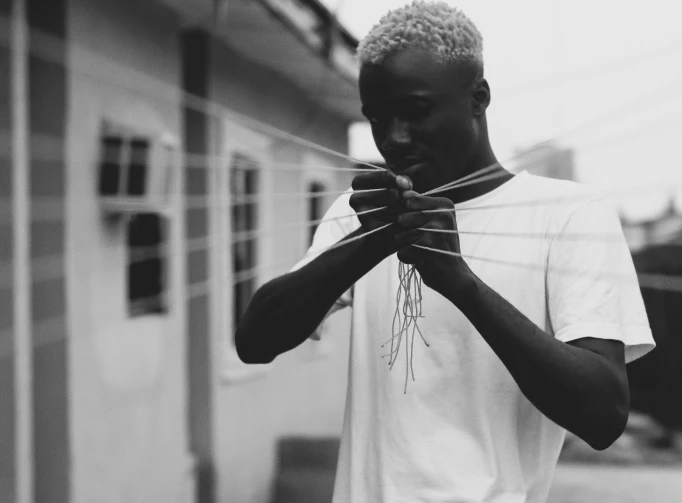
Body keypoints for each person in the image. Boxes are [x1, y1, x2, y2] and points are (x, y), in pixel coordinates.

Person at [235, 1, 655, 501]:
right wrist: (369, 241)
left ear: (478, 98)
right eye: (376, 117)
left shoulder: (567, 213)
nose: (394, 137)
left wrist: (462, 284)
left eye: (415, 111)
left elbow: (603, 415)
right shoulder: (360, 215)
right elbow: (255, 342)